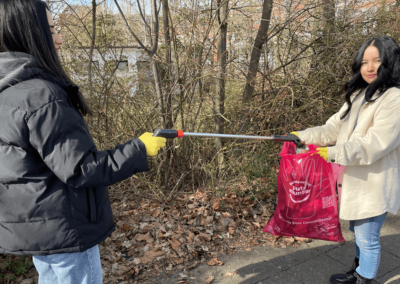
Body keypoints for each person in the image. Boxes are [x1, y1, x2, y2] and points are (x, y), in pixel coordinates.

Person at [0, 0, 166, 283]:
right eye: (51, 30)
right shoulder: (41, 96)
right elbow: (82, 168)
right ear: (30, 33)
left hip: (39, 231)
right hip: (66, 230)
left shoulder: (8, 93)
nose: (59, 38)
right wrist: (140, 148)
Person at [291, 35, 400, 284]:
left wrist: (333, 153)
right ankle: (359, 270)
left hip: (375, 181)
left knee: (367, 237)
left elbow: (375, 143)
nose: (369, 68)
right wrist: (301, 136)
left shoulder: (395, 98)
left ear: (391, 62)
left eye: (377, 61)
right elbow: (332, 130)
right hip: (354, 179)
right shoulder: (361, 94)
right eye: (364, 62)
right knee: (358, 231)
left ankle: (365, 279)